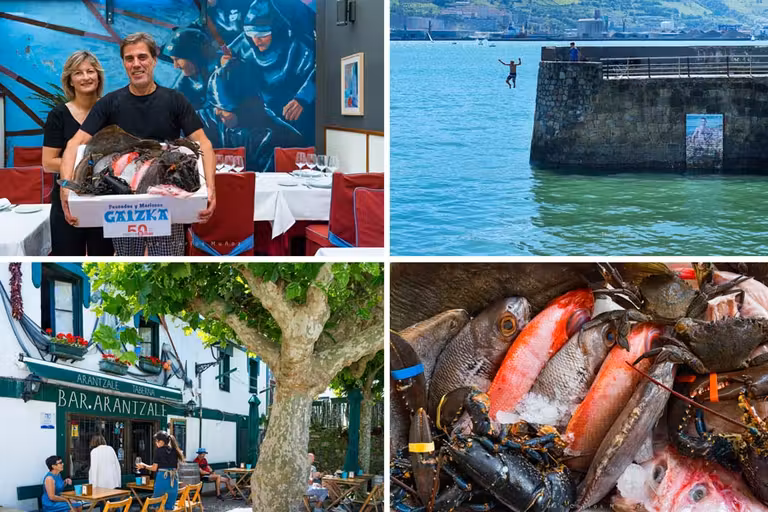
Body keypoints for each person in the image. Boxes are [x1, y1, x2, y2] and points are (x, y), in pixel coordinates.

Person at [58, 32, 216, 256]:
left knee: (168, 265)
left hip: (166, 201)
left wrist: (210, 189)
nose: (136, 64)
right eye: (129, 58)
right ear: (124, 63)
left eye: (142, 57)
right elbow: (74, 144)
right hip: (122, 205)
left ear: (154, 60)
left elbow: (204, 145)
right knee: (127, 262)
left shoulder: (175, 100)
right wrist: (66, 189)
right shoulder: (110, 103)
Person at [42, 51, 114, 256]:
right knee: (67, 255)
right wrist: (85, 167)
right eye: (78, 73)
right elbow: (48, 162)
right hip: (68, 196)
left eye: (90, 71)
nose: (86, 77)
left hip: (104, 196)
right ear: (70, 80)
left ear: (98, 76)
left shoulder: (111, 111)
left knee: (104, 258)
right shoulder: (58, 115)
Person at [224, 0, 316, 139]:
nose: (256, 40)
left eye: (262, 34)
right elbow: (225, 54)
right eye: (251, 33)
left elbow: (321, 69)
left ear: (277, 30)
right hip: (262, 117)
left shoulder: (299, 47)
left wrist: (303, 97)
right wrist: (224, 61)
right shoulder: (245, 43)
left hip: (294, 114)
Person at [164, 26, 218, 110]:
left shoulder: (227, 69)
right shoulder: (187, 81)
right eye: (173, 60)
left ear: (193, 56)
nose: (175, 66)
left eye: (177, 59)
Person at [136, 431, 183, 509]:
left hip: (163, 478)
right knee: (169, 505)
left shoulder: (159, 451)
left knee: (157, 503)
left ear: (161, 441)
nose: (155, 443)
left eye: (156, 441)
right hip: (174, 478)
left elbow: (154, 468)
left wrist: (144, 466)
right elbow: (177, 467)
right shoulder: (175, 450)